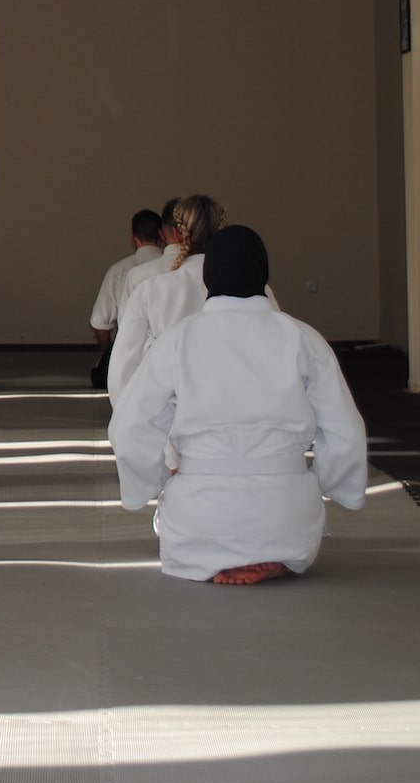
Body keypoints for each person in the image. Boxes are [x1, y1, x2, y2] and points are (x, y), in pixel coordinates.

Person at [109, 226, 367, 584]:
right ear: (264, 274)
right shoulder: (302, 338)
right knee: (289, 516)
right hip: (286, 510)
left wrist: (154, 483)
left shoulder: (178, 339)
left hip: (200, 513)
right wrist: (327, 484)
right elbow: (345, 431)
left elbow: (130, 427)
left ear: (207, 277)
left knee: (191, 522)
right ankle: (276, 553)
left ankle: (215, 555)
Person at [108, 195, 279, 401]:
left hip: (171, 405)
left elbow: (123, 367)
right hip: (238, 399)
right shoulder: (256, 288)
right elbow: (275, 346)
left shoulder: (150, 290)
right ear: (221, 231)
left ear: (176, 234)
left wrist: (127, 412)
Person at [87, 208, 163, 390]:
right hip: (167, 351)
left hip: (130, 354)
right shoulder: (177, 267)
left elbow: (100, 323)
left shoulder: (119, 271)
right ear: (162, 235)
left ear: (133, 238)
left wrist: (109, 351)